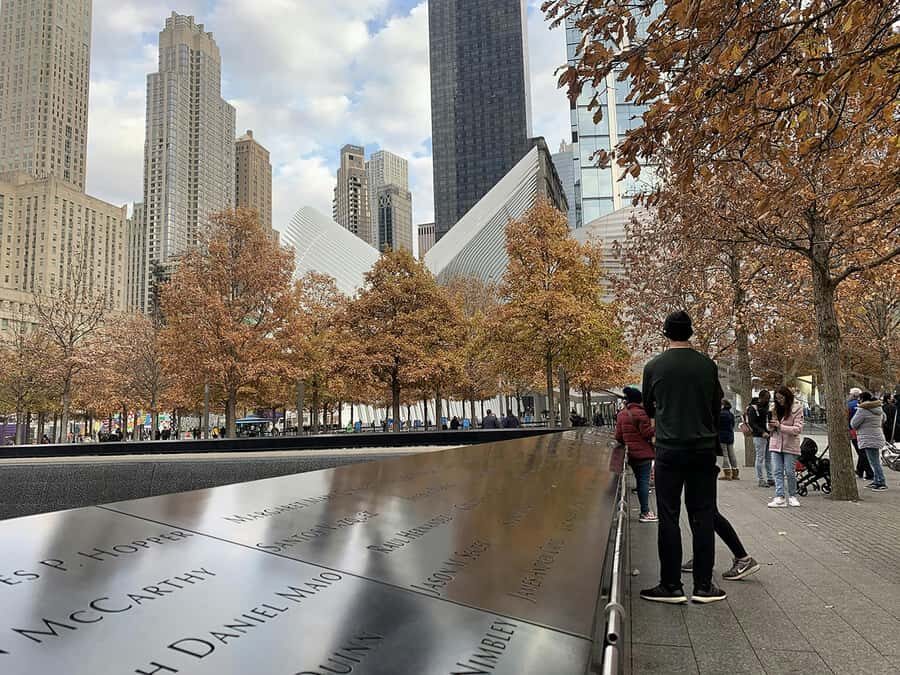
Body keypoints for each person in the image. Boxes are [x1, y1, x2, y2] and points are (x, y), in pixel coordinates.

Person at [639, 311, 727, 605]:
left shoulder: (654, 366)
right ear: (690, 332)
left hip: (669, 449)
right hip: (702, 449)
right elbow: (715, 406)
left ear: (666, 333)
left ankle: (671, 585)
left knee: (668, 515)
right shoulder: (707, 366)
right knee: (703, 515)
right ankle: (703, 585)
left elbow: (648, 407)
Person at [615, 387, 657, 522]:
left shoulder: (621, 414)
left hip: (630, 454)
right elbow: (647, 433)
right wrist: (655, 429)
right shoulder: (641, 413)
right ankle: (645, 512)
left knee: (640, 481)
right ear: (639, 400)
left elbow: (618, 436)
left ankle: (645, 511)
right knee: (643, 482)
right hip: (643, 454)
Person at [767, 385, 804, 507]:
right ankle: (780, 496)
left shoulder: (797, 408)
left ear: (787, 397)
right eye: (777, 398)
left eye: (781, 398)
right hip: (775, 443)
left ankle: (792, 495)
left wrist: (780, 426)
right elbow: (770, 428)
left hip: (790, 444)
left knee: (789, 471)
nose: (779, 401)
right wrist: (770, 426)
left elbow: (797, 429)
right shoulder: (774, 409)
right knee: (777, 471)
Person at [851, 391, 887, 491]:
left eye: (859, 399)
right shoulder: (878, 408)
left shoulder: (862, 409)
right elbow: (884, 419)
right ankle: (876, 480)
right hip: (877, 435)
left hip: (867, 437)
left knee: (874, 462)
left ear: (862, 399)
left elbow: (854, 423)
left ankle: (881, 481)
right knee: (874, 460)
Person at [747, 392, 774, 487]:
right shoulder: (753, 408)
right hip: (759, 436)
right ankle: (760, 479)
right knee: (760, 458)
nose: (767, 400)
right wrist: (762, 432)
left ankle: (770, 478)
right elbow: (752, 423)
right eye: (766, 398)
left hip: (768, 434)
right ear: (760, 398)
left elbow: (769, 419)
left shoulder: (767, 407)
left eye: (769, 398)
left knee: (768, 458)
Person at [848, 387, 874, 480]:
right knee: (862, 451)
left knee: (861, 452)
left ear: (853, 395)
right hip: (865, 430)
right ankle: (860, 470)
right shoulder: (864, 405)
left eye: (850, 394)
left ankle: (869, 472)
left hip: (853, 430)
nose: (849, 395)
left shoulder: (849, 405)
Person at [719, 400, 739, 480]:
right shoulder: (731, 414)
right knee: (732, 454)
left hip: (722, 436)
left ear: (723, 405)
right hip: (730, 436)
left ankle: (727, 473)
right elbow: (733, 425)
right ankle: (735, 472)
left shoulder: (720, 414)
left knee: (724, 454)